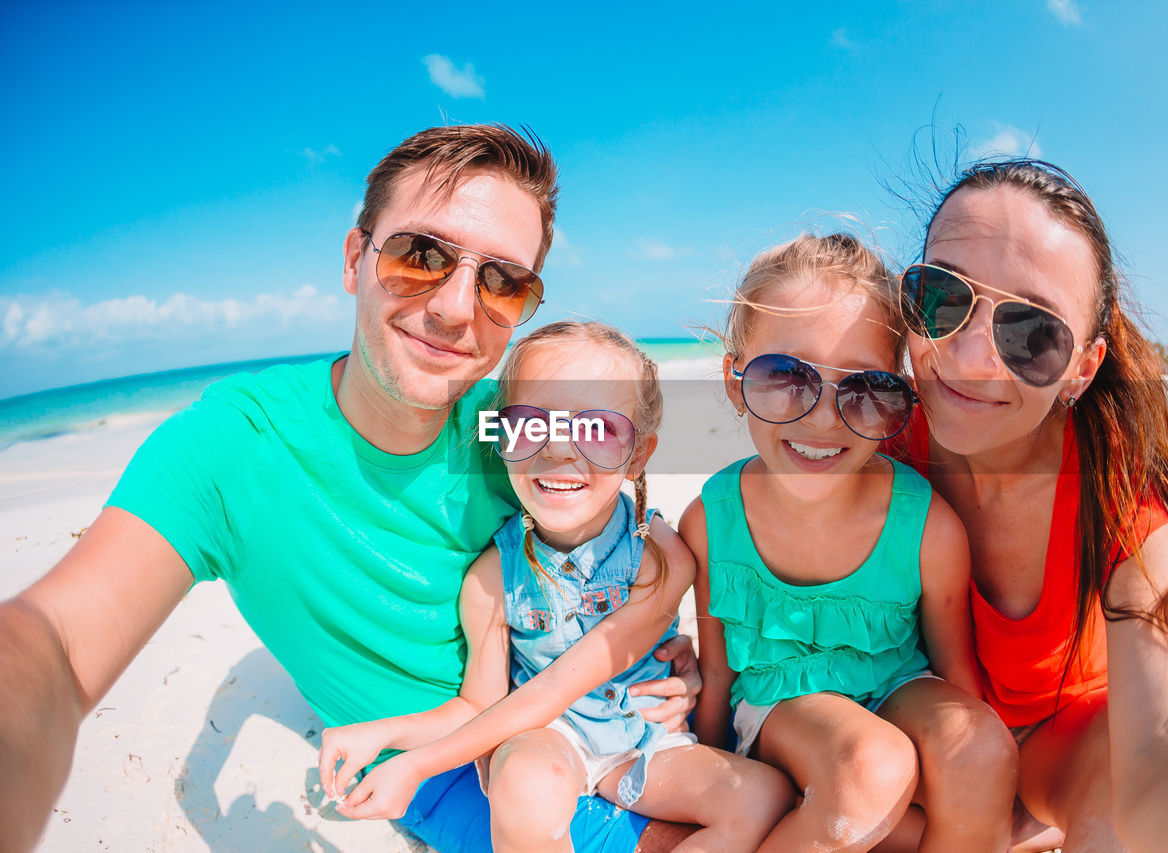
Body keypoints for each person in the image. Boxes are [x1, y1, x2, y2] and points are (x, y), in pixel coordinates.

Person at [0, 125, 699, 853]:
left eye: (500, 280)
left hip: (602, 721)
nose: (459, 308)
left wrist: (651, 642)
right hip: (458, 775)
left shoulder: (515, 427)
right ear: (354, 258)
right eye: (421, 256)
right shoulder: (239, 449)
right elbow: (54, 646)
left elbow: (636, 523)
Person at [882, 159, 1168, 852]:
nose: (972, 357)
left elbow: (1164, 758)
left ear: (1082, 369)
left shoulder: (1122, 499)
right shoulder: (875, 436)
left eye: (1031, 335)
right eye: (941, 297)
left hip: (1058, 747)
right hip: (923, 737)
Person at [317, 321, 793, 851]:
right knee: (524, 779)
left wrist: (417, 766)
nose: (560, 451)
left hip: (642, 741)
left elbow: (562, 682)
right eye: (529, 426)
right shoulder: (491, 578)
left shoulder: (660, 559)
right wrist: (384, 733)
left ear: (638, 453)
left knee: (761, 795)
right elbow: (479, 705)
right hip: (550, 740)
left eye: (598, 430)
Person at [680, 233, 1018, 852]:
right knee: (874, 766)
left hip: (897, 688)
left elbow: (955, 675)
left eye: (866, 388)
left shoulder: (928, 530)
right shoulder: (712, 521)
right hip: (780, 704)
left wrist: (964, 784)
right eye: (786, 375)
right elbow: (720, 675)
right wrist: (705, 776)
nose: (824, 418)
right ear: (735, 382)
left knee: (982, 750)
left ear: (898, 401)